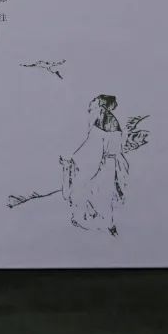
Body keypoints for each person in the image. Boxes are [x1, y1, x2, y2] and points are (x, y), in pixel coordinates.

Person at [61, 94, 128, 234]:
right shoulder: (109, 121)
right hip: (107, 163)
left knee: (97, 190)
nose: (91, 109)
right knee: (104, 192)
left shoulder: (104, 122)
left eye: (95, 105)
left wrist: (73, 160)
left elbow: (94, 147)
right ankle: (106, 223)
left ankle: (96, 222)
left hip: (103, 164)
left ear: (101, 106)